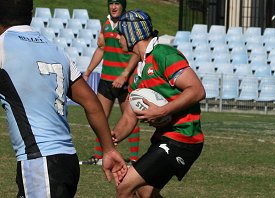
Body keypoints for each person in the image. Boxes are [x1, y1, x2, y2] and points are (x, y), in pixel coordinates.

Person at [0, 0, 127, 197]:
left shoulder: (3, 46)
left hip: (40, 162)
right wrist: (108, 149)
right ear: (31, 14)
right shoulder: (56, 50)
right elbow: (92, 103)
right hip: (67, 160)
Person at [112, 9, 206, 197]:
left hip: (184, 137)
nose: (117, 37)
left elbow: (197, 90)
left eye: (121, 33)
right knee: (145, 192)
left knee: (125, 186)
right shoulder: (137, 75)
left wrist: (162, 111)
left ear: (133, 33)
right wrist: (111, 137)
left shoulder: (164, 54)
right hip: (166, 138)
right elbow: (129, 118)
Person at [81, 0, 141, 165]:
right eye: (111, 3)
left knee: (130, 118)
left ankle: (135, 159)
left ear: (123, 6)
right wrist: (87, 72)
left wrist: (124, 74)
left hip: (126, 81)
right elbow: (101, 49)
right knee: (100, 118)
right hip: (106, 80)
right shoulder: (106, 23)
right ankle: (99, 157)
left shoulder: (129, 24)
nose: (114, 7)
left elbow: (137, 52)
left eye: (117, 3)